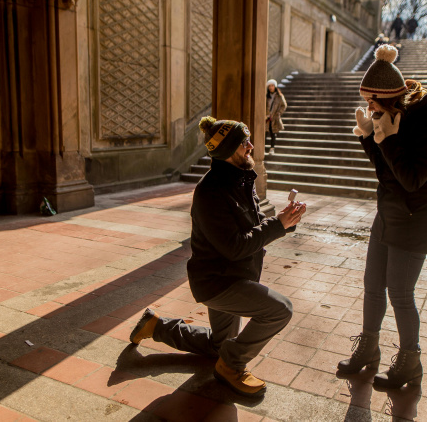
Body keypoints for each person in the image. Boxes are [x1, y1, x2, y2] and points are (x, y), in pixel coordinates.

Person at [130, 117, 307, 397]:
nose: (251, 146)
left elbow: (257, 224)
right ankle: (231, 365)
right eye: (243, 143)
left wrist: (285, 220)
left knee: (218, 344)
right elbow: (234, 247)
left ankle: (156, 326)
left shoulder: (240, 177)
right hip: (219, 282)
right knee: (280, 309)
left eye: (248, 139)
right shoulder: (210, 192)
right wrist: (278, 225)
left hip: (236, 276)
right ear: (226, 151)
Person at [337, 44, 427, 389]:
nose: (369, 107)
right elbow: (385, 172)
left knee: (401, 293)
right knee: (373, 285)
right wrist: (369, 138)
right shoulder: (388, 116)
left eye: (372, 102)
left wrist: (385, 138)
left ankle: (410, 362)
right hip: (389, 212)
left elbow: (412, 179)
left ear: (389, 97)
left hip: (417, 218)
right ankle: (368, 351)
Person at [266, 79, 287, 155]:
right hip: (266, 118)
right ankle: (262, 149)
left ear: (275, 86)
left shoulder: (279, 96)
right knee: (264, 133)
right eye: (269, 86)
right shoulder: (266, 96)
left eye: (272, 85)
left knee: (273, 133)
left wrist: (278, 113)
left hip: (274, 118)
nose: (271, 87)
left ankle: (272, 148)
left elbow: (283, 105)